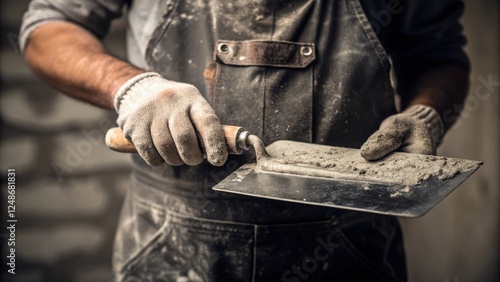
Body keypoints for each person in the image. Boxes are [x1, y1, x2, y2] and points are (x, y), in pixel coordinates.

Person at [20, 0, 470, 281]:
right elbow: (48, 27)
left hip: (348, 246)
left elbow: (437, 54)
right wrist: (131, 86)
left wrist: (426, 113)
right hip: (170, 241)